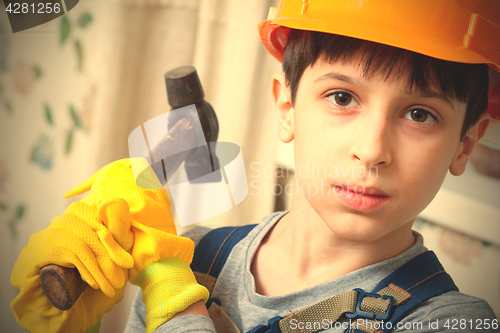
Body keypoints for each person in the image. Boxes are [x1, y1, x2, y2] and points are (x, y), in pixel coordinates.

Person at [11, 1, 500, 333]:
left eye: (420, 114)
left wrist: (171, 293)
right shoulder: (195, 256)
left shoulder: (450, 320)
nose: (372, 151)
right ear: (287, 107)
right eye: (342, 97)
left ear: (465, 143)